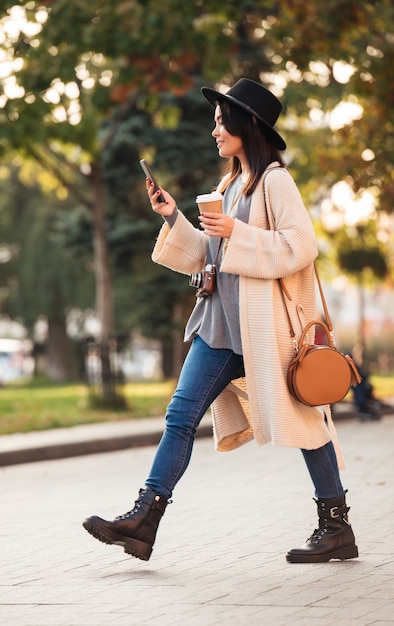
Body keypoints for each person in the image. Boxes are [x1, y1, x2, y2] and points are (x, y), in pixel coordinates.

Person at [83, 78, 358, 564]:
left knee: (305, 418)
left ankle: (336, 527)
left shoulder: (275, 181)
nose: (213, 131)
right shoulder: (229, 186)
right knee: (180, 416)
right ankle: (144, 520)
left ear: (246, 124)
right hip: (219, 327)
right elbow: (210, 257)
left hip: (264, 329)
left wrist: (239, 232)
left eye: (220, 122)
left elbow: (300, 247)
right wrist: (173, 219)